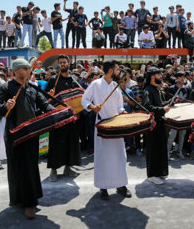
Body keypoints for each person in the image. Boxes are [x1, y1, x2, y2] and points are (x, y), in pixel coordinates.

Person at [0, 58, 55, 219]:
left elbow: (45, 105)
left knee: (30, 167)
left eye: (28, 68)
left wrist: (58, 112)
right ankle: (22, 201)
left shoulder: (32, 88)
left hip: (31, 133)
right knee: (16, 167)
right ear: (17, 71)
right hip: (14, 134)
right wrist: (5, 106)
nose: (29, 71)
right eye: (26, 68)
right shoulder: (6, 88)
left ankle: (29, 201)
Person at [81, 61, 132, 200]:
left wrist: (124, 114)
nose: (119, 72)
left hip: (116, 125)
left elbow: (119, 106)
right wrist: (93, 107)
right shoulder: (95, 84)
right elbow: (84, 100)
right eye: (117, 69)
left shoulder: (116, 86)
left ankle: (121, 185)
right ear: (110, 71)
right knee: (103, 156)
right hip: (102, 124)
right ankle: (103, 187)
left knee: (120, 156)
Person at [45, 55, 81, 182]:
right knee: (55, 144)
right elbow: (45, 99)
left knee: (70, 143)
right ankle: (53, 170)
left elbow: (81, 95)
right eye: (60, 63)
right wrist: (49, 95)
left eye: (64, 62)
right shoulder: (53, 80)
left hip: (71, 117)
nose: (62, 64)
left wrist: (78, 112)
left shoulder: (74, 79)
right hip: (57, 117)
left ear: (68, 63)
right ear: (58, 64)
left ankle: (68, 167)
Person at [143, 67, 171, 185]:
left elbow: (160, 104)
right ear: (152, 76)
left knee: (160, 148)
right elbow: (147, 107)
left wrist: (170, 103)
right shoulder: (148, 90)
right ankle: (152, 174)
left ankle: (159, 172)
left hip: (160, 123)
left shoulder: (157, 89)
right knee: (153, 149)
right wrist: (163, 109)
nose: (161, 77)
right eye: (159, 74)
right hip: (152, 125)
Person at [166, 71, 190, 160]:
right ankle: (168, 151)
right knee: (172, 133)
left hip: (184, 113)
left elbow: (189, 100)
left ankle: (179, 150)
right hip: (174, 113)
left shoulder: (187, 88)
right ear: (176, 78)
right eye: (180, 77)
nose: (182, 78)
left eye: (183, 77)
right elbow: (169, 101)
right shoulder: (172, 88)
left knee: (182, 133)